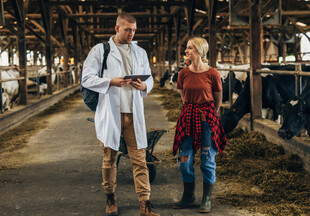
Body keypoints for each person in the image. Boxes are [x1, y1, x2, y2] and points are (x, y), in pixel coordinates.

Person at [81, 12, 159, 216]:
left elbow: (149, 78)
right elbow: (86, 78)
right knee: (109, 160)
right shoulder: (100, 50)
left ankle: (145, 205)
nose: (131, 33)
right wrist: (109, 82)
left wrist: (144, 85)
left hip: (133, 114)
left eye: (134, 30)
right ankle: (111, 199)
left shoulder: (140, 52)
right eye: (127, 29)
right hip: (110, 114)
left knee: (140, 161)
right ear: (117, 28)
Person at [172, 37, 227, 213]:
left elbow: (218, 99)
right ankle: (189, 195)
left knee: (207, 160)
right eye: (187, 48)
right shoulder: (183, 74)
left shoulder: (212, 74)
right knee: (184, 160)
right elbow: (184, 97)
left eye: (189, 48)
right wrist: (193, 110)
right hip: (188, 120)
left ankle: (207, 198)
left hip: (207, 122)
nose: (186, 51)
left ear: (199, 51)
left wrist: (208, 115)